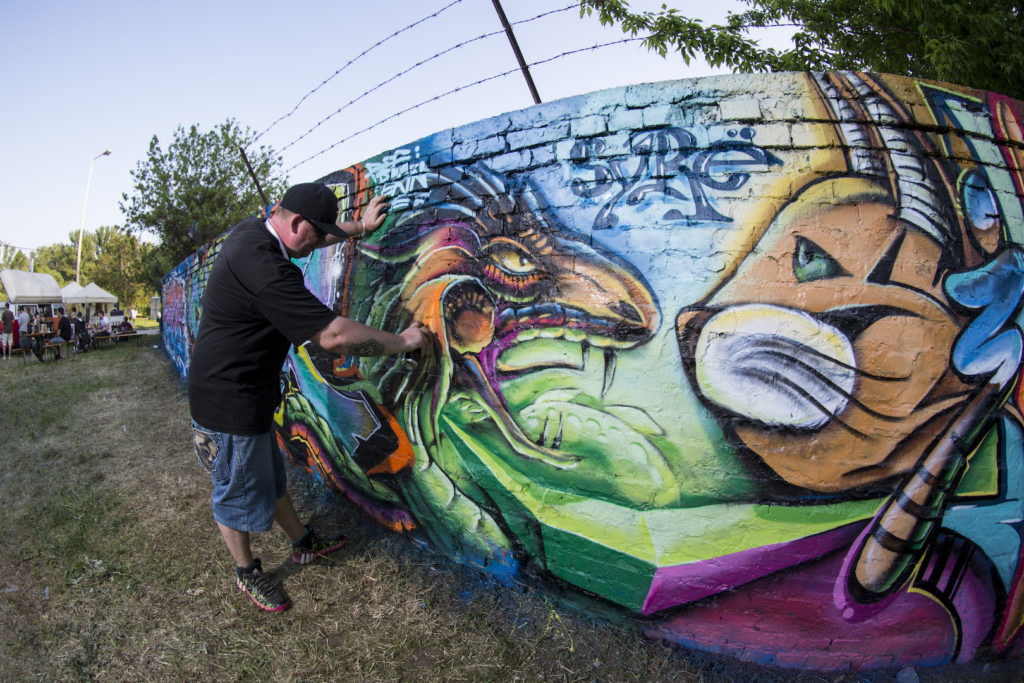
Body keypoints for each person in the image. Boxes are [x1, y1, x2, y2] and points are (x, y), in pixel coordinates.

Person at [188, 182, 430, 612]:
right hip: (227, 403)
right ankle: (247, 572)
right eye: (317, 235)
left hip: (251, 392)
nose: (320, 244)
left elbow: (313, 234)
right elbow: (334, 336)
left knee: (270, 479)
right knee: (234, 493)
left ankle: (302, 543)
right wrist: (403, 341)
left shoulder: (256, 230)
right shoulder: (265, 268)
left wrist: (359, 227)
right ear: (297, 222)